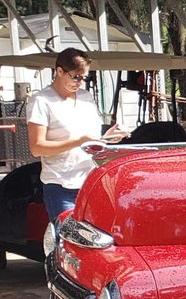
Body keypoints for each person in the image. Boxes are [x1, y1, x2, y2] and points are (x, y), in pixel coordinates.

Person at [26, 48, 123, 221]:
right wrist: (78, 142)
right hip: (61, 185)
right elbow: (37, 147)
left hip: (92, 181)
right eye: (75, 77)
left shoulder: (86, 97)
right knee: (69, 240)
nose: (79, 83)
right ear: (59, 71)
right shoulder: (41, 101)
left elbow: (91, 137)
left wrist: (107, 137)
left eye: (83, 78)